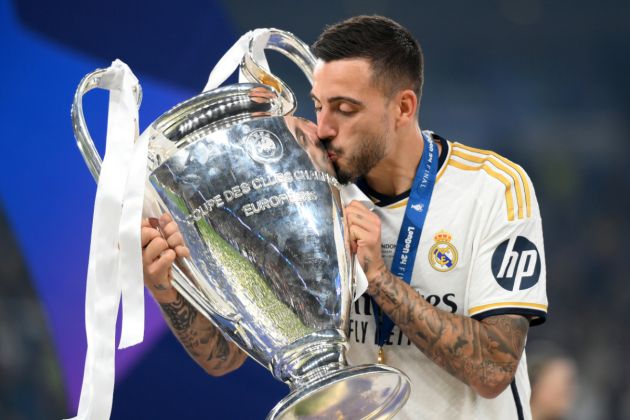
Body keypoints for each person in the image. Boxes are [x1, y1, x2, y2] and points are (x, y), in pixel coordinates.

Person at [142, 15, 548, 419]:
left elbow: (494, 369)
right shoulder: (308, 190)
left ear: (403, 108)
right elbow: (224, 357)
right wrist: (170, 290)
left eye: (345, 109)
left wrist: (380, 280)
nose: (324, 127)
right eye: (319, 106)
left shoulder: (493, 188)